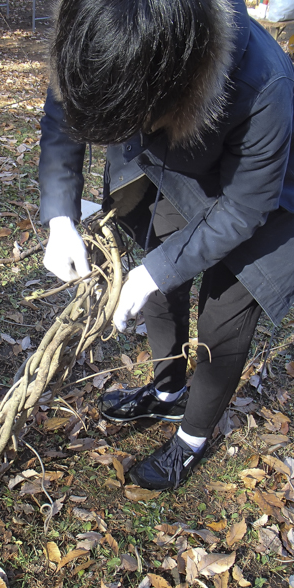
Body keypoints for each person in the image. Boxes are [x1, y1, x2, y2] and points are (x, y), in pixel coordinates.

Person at [39, 0, 294, 490]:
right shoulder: (100, 27)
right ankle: (168, 390)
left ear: (170, 88)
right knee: (157, 275)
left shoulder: (263, 84)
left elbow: (245, 207)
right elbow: (66, 106)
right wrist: (60, 216)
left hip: (269, 195)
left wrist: (160, 268)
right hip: (181, 168)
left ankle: (193, 439)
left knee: (223, 316)